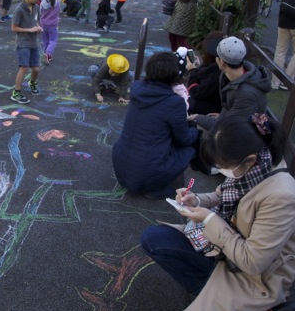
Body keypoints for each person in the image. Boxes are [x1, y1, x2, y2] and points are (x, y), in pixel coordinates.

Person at [140, 113, 295, 311]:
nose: (220, 170)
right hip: (226, 254)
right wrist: (196, 199)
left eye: (224, 166)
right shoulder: (256, 167)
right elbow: (221, 194)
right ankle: (208, 297)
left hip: (255, 279)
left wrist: (210, 219)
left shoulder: (282, 197)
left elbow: (253, 263)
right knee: (153, 239)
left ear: (248, 160)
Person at [112, 52, 199, 198]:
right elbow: (184, 139)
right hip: (148, 172)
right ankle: (159, 189)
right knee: (189, 149)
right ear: (174, 76)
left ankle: (149, 183)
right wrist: (195, 128)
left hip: (121, 167)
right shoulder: (174, 102)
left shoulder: (137, 89)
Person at [189, 36, 271, 132]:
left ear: (222, 62)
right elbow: (227, 106)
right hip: (234, 121)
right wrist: (223, 115)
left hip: (246, 135)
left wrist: (197, 117)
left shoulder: (247, 93)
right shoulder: (226, 75)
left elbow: (229, 127)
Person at [10, 0, 44, 104]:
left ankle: (32, 83)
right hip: (23, 43)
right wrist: (29, 30)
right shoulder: (19, 9)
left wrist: (38, 27)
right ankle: (16, 92)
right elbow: (13, 28)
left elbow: (36, 22)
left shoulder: (37, 8)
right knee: (24, 67)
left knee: (36, 69)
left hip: (34, 42)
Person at [186, 31, 223, 115]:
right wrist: (198, 67)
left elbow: (196, 92)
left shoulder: (217, 72)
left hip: (214, 109)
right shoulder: (214, 65)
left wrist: (193, 71)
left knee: (183, 101)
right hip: (213, 103)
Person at [40, 0, 60, 64]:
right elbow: (58, 11)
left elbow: (40, 13)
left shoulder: (42, 3)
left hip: (43, 24)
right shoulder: (57, 2)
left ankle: (46, 54)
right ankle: (48, 54)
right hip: (53, 25)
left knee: (45, 40)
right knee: (53, 40)